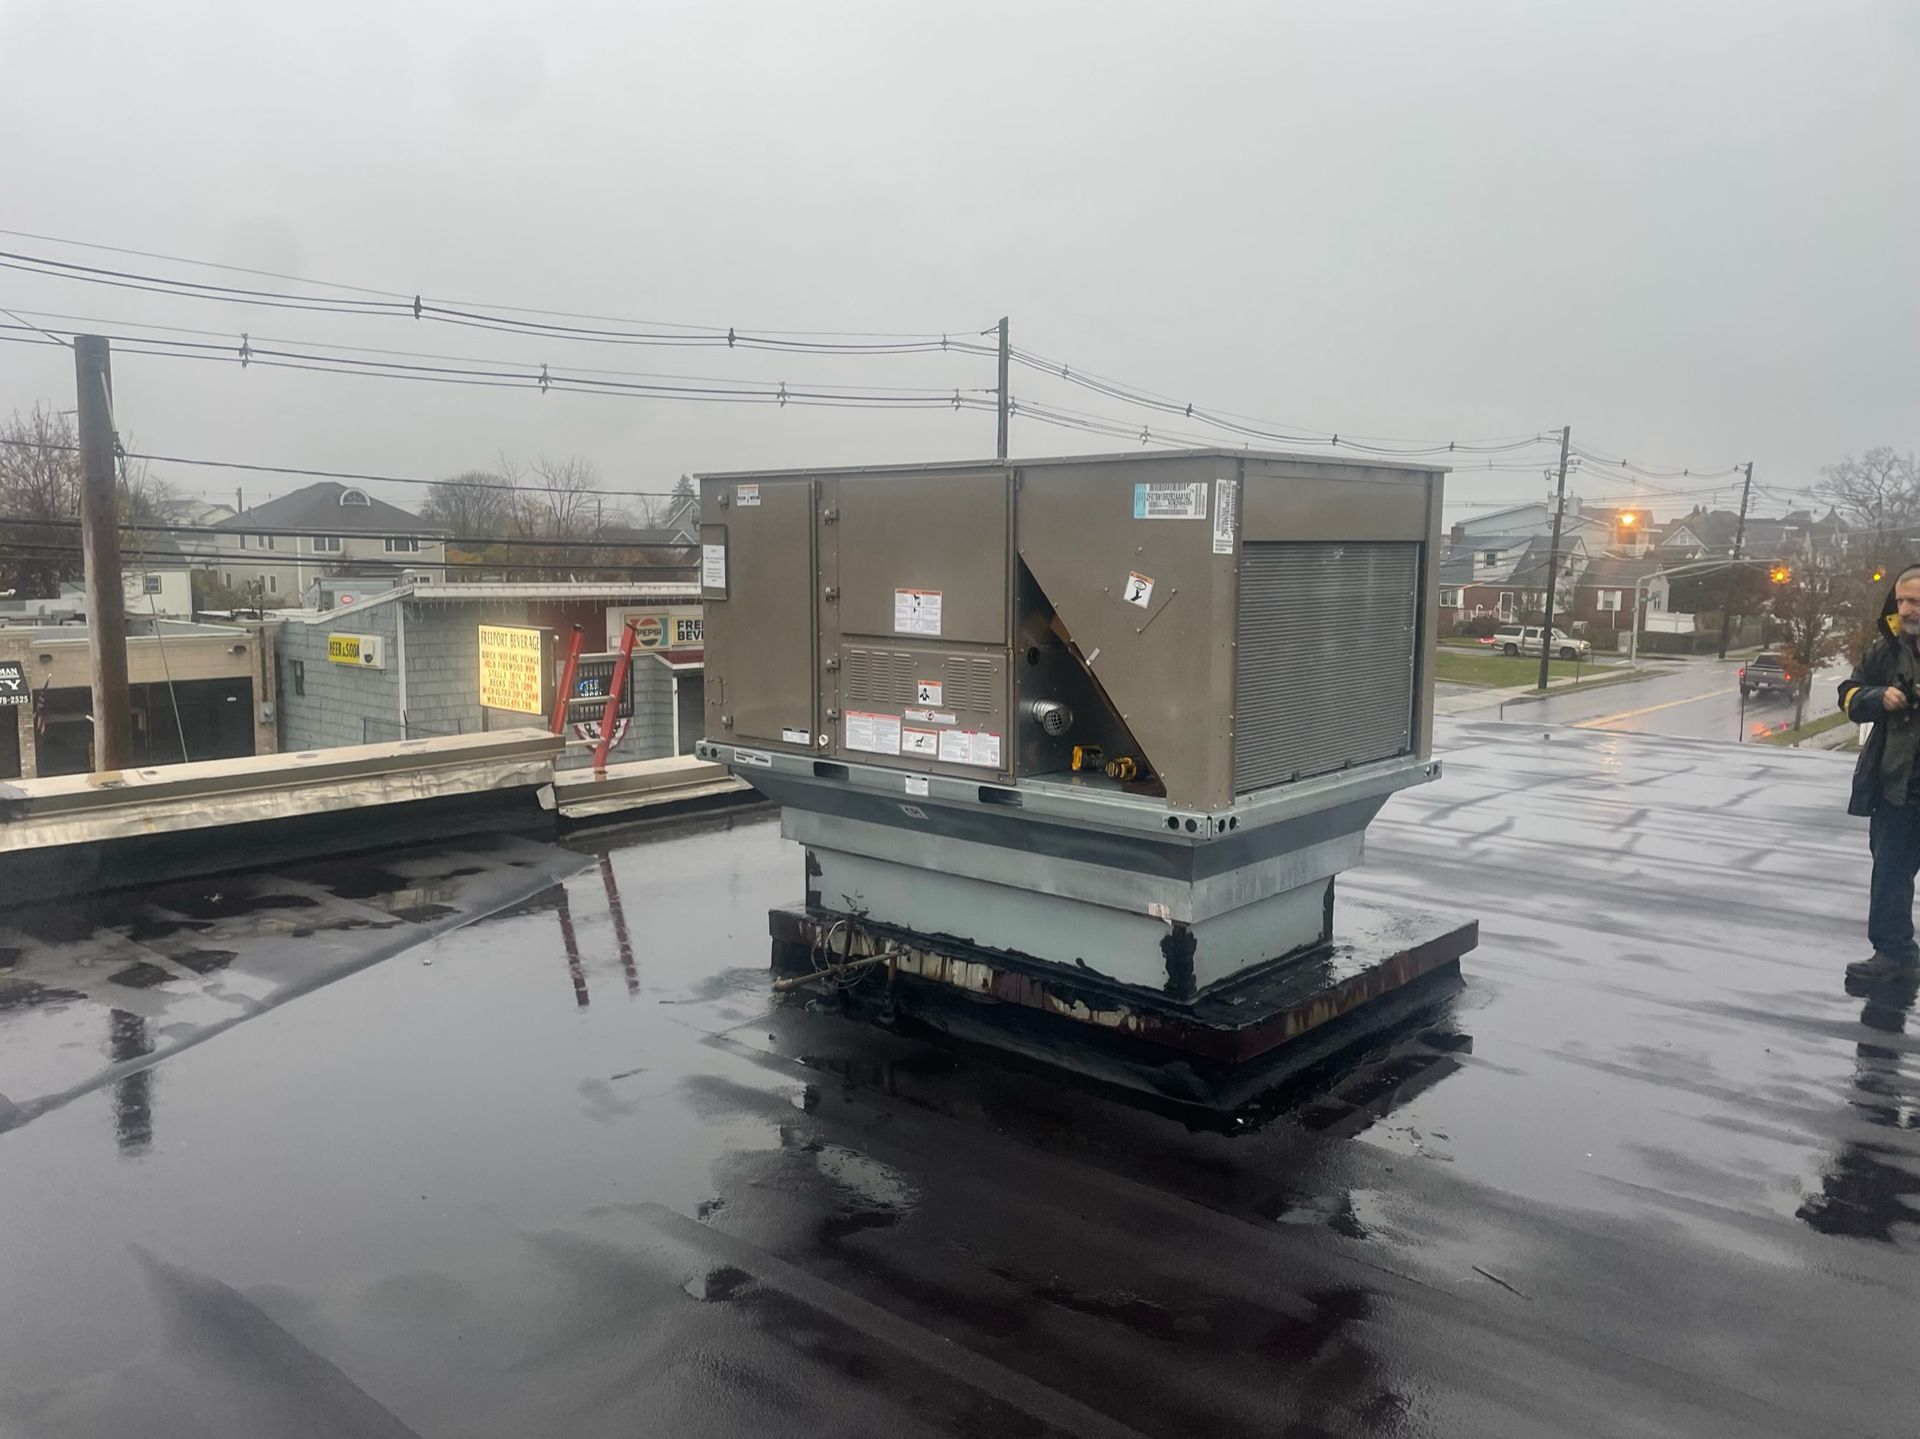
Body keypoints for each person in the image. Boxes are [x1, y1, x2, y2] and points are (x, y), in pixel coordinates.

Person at [1841, 565, 1920, 981]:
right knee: (1890, 875)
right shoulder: (1885, 651)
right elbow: (1849, 694)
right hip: (1899, 788)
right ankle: (1894, 954)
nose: (1905, 609)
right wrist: (1876, 697)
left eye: (1915, 602)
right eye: (1901, 600)